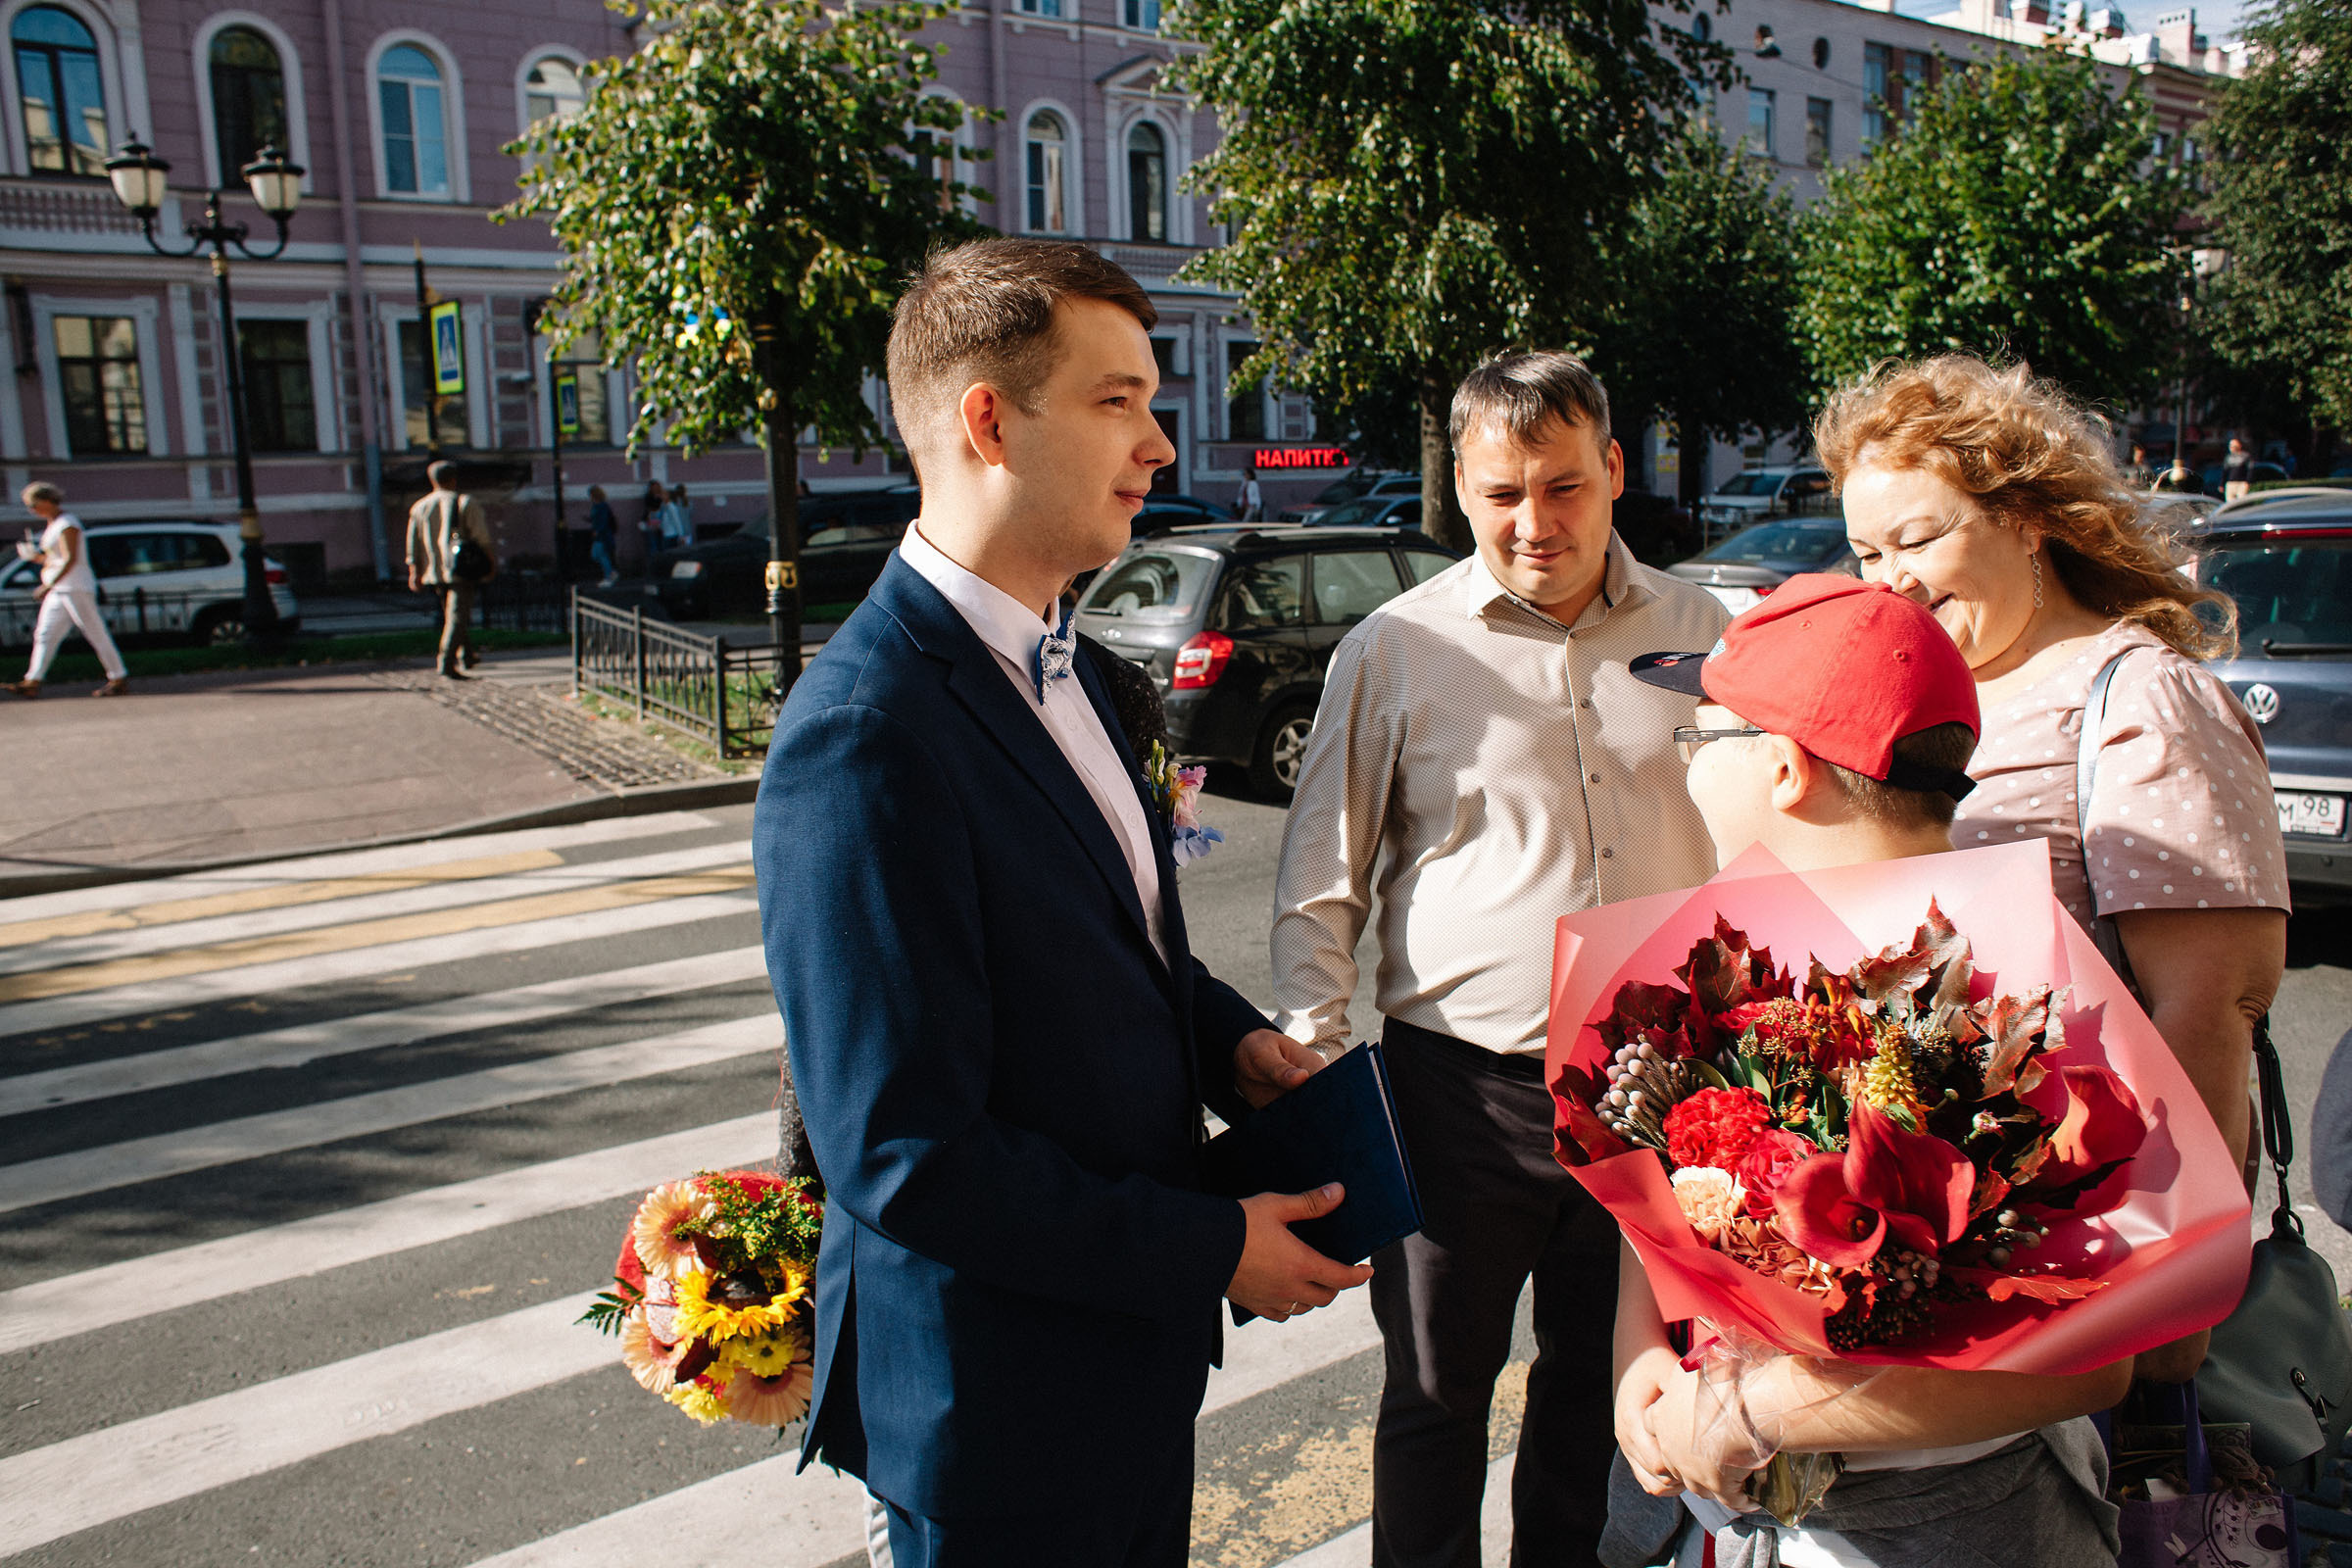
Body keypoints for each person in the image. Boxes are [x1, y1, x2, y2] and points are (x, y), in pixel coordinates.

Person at [755, 236, 1372, 1568]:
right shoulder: (865, 729)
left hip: (1121, 1374)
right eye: (1117, 402)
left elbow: (1113, 942)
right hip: (996, 1414)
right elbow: (903, 1149)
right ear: (990, 419)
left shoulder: (1083, 672)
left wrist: (1228, 1045)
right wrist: (1211, 1248)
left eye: (1151, 404)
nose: (1156, 446)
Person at [1270, 350, 1730, 1568]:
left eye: (1565, 485)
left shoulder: (1708, 634)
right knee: (1434, 1400)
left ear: (1616, 468)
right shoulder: (1395, 648)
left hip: (1660, 1099)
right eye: (1502, 493)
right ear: (1462, 494)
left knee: (1599, 1392)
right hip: (1457, 1097)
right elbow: (1321, 885)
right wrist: (1328, 1104)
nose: (1536, 522)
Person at [1616, 572, 2132, 1567]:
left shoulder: (2011, 995)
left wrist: (1752, 1408)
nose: (1683, 769)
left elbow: (2097, 1354)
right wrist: (1641, 1358)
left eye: (1698, 737)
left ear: (1779, 768)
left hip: (1959, 1524)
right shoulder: (1730, 962)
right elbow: (1658, 1214)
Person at [1817, 355, 2286, 1383]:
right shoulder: (1913, 700)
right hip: (1932, 1243)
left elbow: (2211, 1010)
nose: (1887, 579)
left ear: (2026, 516)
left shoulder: (2142, 698)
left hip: (2087, 1256)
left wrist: (2164, 1288)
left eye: (1918, 537)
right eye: (1863, 550)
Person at [7, 482, 128, 698]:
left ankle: (118, 677)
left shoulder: (67, 524)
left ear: (46, 501)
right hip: (62, 587)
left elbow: (71, 558)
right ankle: (32, 680)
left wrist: (48, 585)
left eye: (33, 505)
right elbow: (58, 558)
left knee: (94, 632)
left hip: (74, 587)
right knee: (45, 634)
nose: (31, 510)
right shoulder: (54, 524)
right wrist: (36, 558)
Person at [405, 461, 494, 679]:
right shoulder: (463, 502)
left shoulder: (420, 506)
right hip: (460, 568)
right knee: (457, 616)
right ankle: (446, 661)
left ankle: (467, 654)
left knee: (453, 613)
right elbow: (481, 537)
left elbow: (412, 542)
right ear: (454, 479)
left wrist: (414, 570)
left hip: (433, 570)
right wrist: (490, 562)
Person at [585, 485, 618, 587]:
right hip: (599, 534)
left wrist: (598, 530)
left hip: (603, 535)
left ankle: (609, 576)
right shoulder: (595, 506)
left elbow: (603, 521)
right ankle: (611, 573)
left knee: (601, 555)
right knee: (596, 555)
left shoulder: (602, 506)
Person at [638, 479, 667, 567]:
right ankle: (653, 565)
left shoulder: (662, 496)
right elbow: (651, 508)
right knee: (652, 545)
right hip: (651, 523)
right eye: (653, 487)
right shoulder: (648, 497)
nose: (655, 489)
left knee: (660, 545)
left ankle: (660, 564)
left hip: (660, 523)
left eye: (656, 487)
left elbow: (664, 507)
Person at [659, 482, 695, 547]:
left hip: (675, 532)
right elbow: (690, 514)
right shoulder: (688, 502)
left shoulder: (673, 504)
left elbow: (676, 520)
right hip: (686, 529)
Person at [2222, 435, 2254, 502]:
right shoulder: (2228, 457)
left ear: (2239, 446)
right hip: (2230, 484)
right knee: (2229, 504)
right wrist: (2222, 484)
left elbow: (2250, 470)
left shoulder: (2246, 456)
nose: (2231, 448)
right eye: (2230, 446)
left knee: (2240, 503)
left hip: (2241, 484)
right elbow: (2225, 471)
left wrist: (2248, 482)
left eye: (2233, 446)